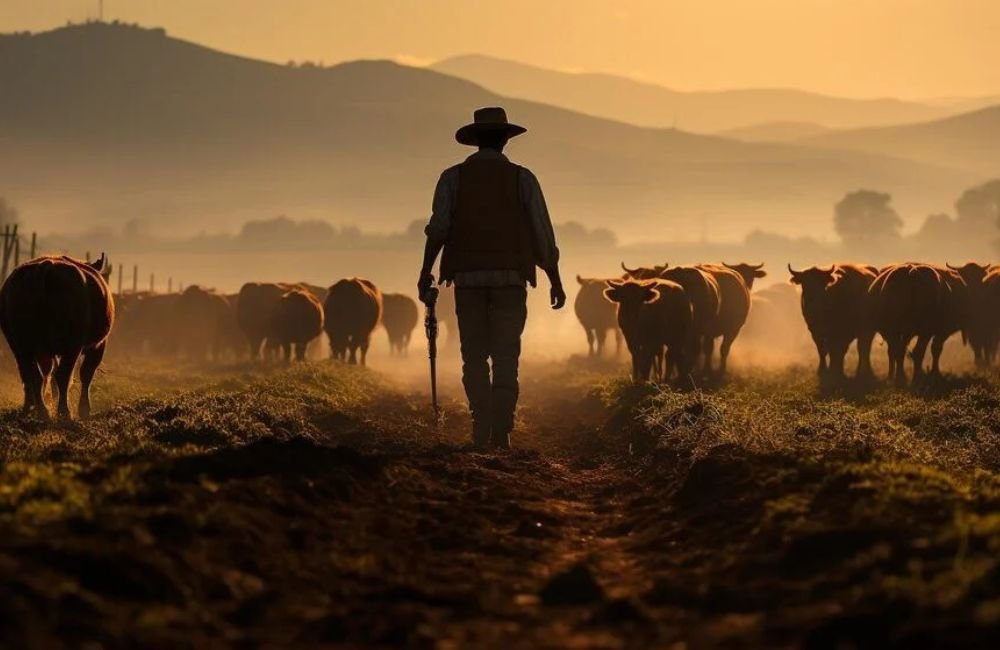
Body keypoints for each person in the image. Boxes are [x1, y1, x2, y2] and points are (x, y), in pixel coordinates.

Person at [418, 106, 566, 451]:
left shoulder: (452, 178)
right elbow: (542, 234)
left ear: (475, 141)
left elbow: (438, 229)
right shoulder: (523, 178)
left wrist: (426, 271)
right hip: (511, 279)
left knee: (473, 355)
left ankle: (479, 425)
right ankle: (502, 430)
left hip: (467, 280)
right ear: (504, 140)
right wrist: (554, 277)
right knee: (505, 355)